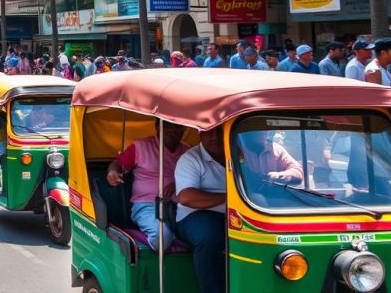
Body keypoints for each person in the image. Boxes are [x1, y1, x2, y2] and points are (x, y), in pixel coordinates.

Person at [106, 121, 189, 251]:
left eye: (177, 127)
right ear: (157, 127)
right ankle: (136, 236)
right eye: (168, 126)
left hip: (181, 205)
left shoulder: (188, 151)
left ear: (183, 129)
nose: (173, 130)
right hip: (147, 204)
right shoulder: (141, 147)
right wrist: (113, 172)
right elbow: (117, 164)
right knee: (161, 238)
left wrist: (176, 184)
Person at [175, 127, 228, 293]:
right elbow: (187, 197)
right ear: (200, 133)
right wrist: (230, 199)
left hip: (237, 212)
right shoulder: (190, 159)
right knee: (209, 237)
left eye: (219, 131)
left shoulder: (239, 153)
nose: (215, 137)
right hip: (194, 215)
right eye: (209, 131)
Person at [237, 131, 303, 185]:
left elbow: (298, 172)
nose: (261, 132)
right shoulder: (237, 151)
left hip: (275, 196)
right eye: (257, 131)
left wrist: (277, 176)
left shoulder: (276, 149)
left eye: (264, 130)